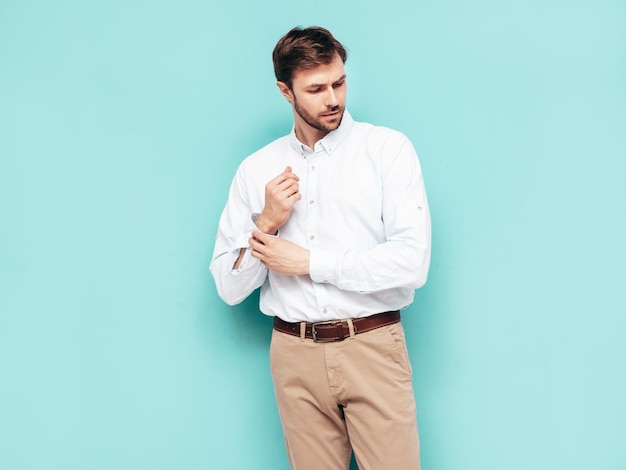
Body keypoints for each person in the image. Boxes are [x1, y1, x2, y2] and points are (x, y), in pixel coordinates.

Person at [210, 26, 431, 470]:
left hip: (372, 343)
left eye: (339, 83)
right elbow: (228, 288)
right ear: (285, 91)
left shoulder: (386, 150)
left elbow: (411, 262)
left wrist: (310, 263)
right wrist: (268, 223)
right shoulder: (257, 170)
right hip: (294, 354)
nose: (332, 99)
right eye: (315, 89)